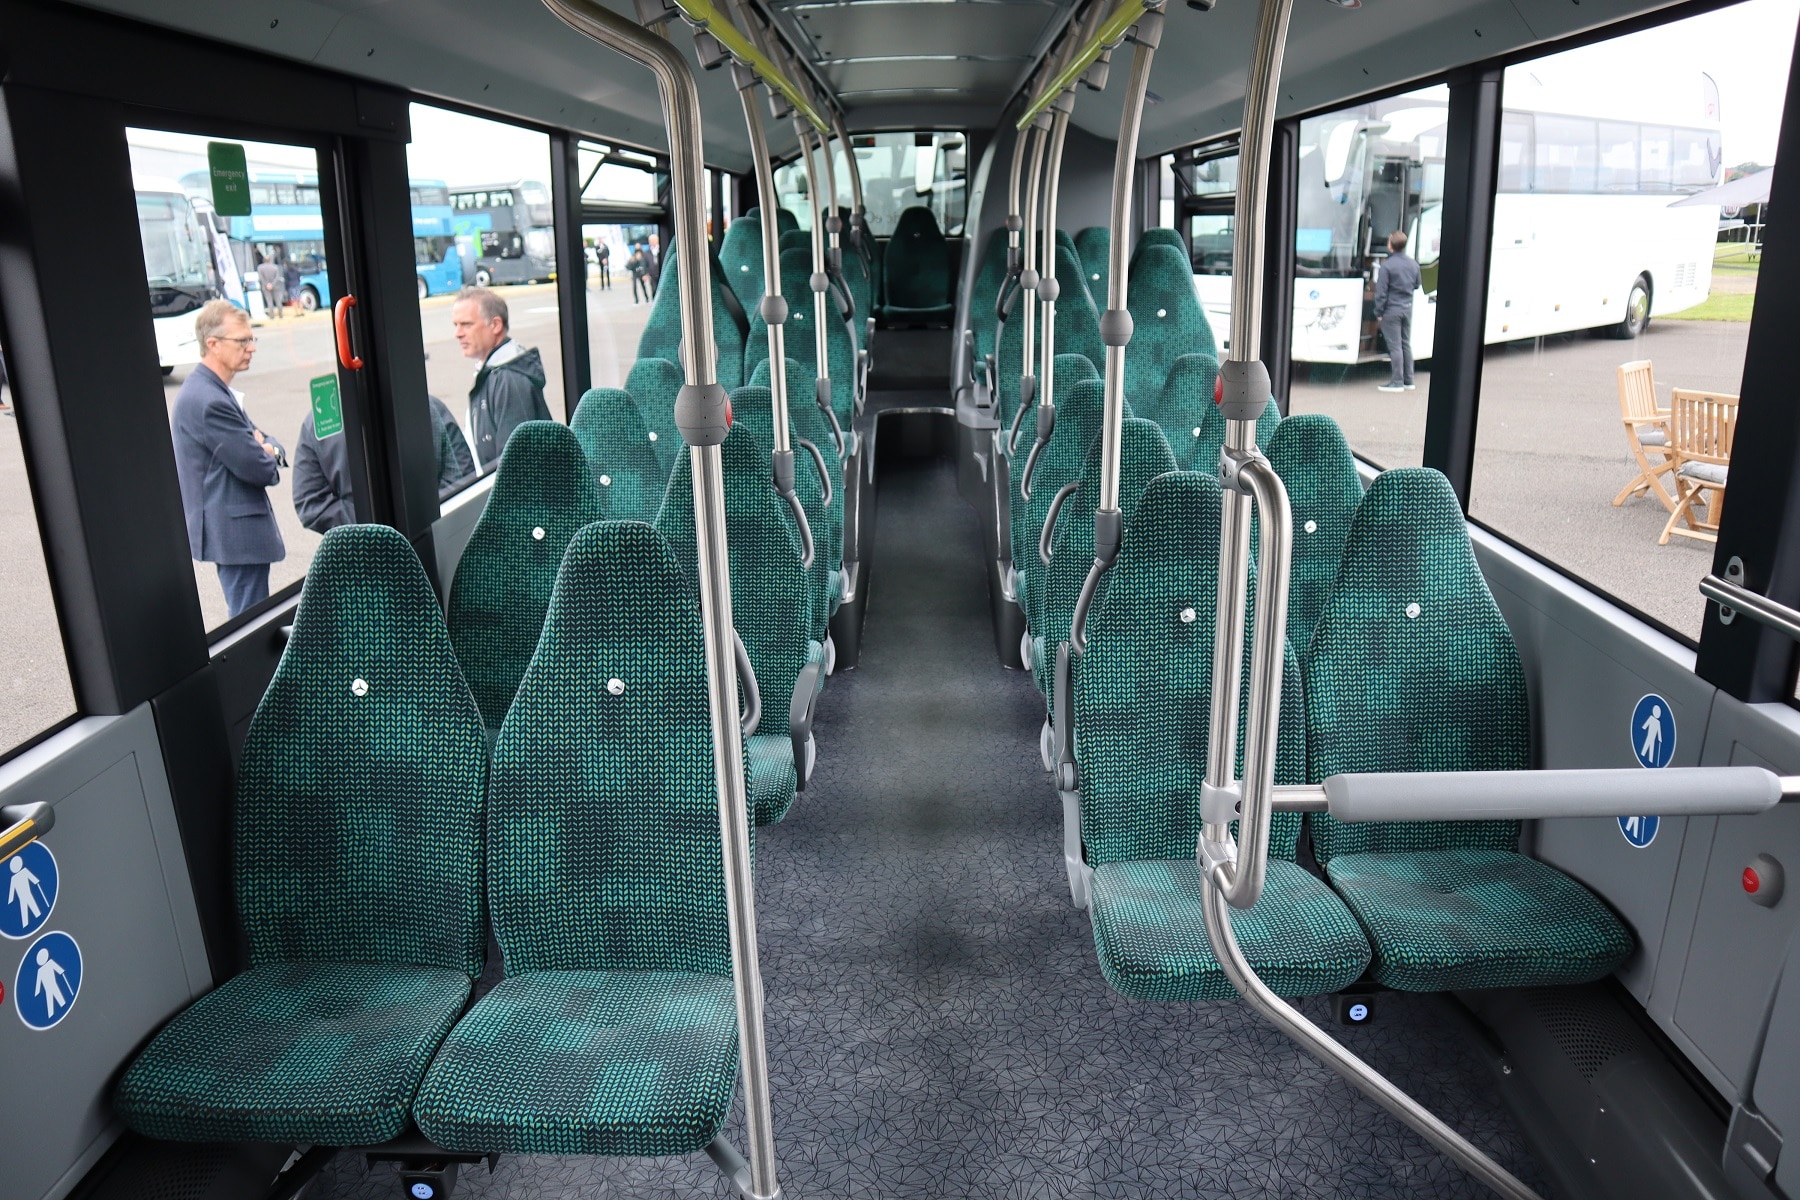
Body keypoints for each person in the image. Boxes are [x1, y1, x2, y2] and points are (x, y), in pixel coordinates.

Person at [170, 300, 285, 618]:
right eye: (243, 340)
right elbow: (257, 467)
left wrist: (267, 448)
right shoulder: (209, 400)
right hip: (237, 538)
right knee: (250, 624)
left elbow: (263, 441)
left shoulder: (212, 391)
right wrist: (265, 451)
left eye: (252, 339)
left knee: (252, 621)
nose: (251, 348)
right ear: (213, 344)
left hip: (235, 535)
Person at [293, 393, 475, 533]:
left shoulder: (319, 424)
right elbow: (462, 475)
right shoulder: (429, 406)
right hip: (430, 541)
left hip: (360, 554)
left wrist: (367, 527)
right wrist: (423, 518)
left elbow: (309, 502)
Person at [451, 285, 550, 469]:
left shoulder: (509, 381)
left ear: (495, 325)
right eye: (455, 325)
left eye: (467, 324)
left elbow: (515, 469)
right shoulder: (493, 373)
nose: (458, 333)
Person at [1372, 229, 1419, 393]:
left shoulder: (1387, 266)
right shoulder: (1413, 264)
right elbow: (1417, 285)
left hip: (1391, 310)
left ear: (1391, 245)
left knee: (1395, 346)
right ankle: (1409, 379)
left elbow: (1381, 292)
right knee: (1405, 344)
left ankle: (1397, 381)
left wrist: (1378, 312)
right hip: (1407, 308)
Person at [256, 255, 284, 319]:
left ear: (264, 260)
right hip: (275, 286)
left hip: (265, 287)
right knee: (278, 300)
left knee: (269, 301)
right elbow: (277, 277)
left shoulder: (260, 267)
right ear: (270, 260)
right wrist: (272, 284)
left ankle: (272, 316)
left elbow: (261, 278)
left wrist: (266, 284)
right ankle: (280, 314)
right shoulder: (275, 267)